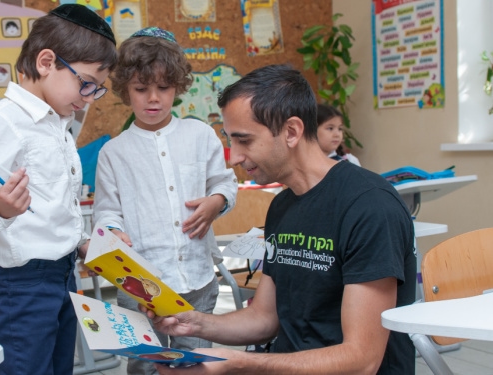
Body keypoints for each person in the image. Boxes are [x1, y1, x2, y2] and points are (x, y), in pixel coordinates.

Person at [144, 64, 416, 374]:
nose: (234, 157)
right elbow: (264, 317)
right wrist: (195, 322)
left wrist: (241, 364)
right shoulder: (283, 206)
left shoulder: (370, 207)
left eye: (244, 141)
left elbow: (362, 360)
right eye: (231, 141)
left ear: (291, 132)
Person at [0, 4, 117, 375]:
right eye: (86, 83)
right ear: (47, 62)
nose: (90, 97)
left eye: (98, 88)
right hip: (22, 285)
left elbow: (56, 203)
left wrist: (78, 240)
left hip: (62, 273)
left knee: (59, 367)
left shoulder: (57, 124)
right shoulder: (5, 120)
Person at [93, 26, 238, 375]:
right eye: (141, 89)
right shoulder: (113, 153)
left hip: (197, 279)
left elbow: (225, 183)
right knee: (145, 365)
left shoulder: (199, 135)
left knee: (195, 364)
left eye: (163, 88)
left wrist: (216, 201)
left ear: (178, 87)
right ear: (126, 89)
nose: (153, 98)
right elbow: (106, 212)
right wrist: (113, 231)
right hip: (140, 284)